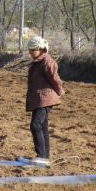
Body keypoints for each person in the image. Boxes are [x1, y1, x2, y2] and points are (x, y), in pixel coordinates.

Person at [25, 36, 64, 166]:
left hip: (45, 98)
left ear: (41, 49)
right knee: (43, 126)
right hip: (40, 98)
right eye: (30, 50)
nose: (30, 52)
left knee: (35, 125)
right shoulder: (38, 61)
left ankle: (41, 156)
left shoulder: (47, 62)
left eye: (32, 50)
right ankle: (45, 157)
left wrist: (60, 91)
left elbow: (55, 79)